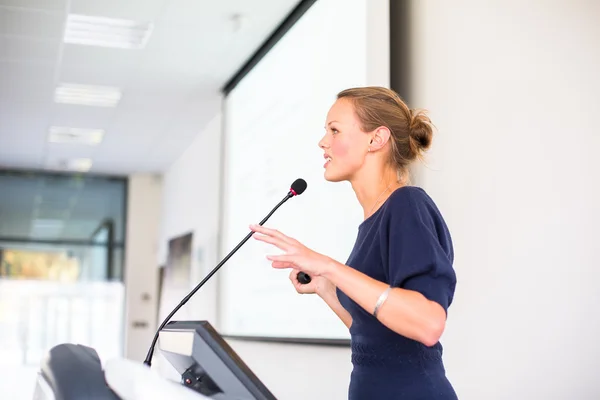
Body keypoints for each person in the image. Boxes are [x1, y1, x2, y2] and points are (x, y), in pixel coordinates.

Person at [250, 86, 458, 399]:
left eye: (334, 130)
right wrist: (324, 287)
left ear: (377, 139)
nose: (323, 142)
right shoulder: (373, 219)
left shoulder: (406, 205)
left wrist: (329, 266)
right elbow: (374, 333)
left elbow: (428, 324)